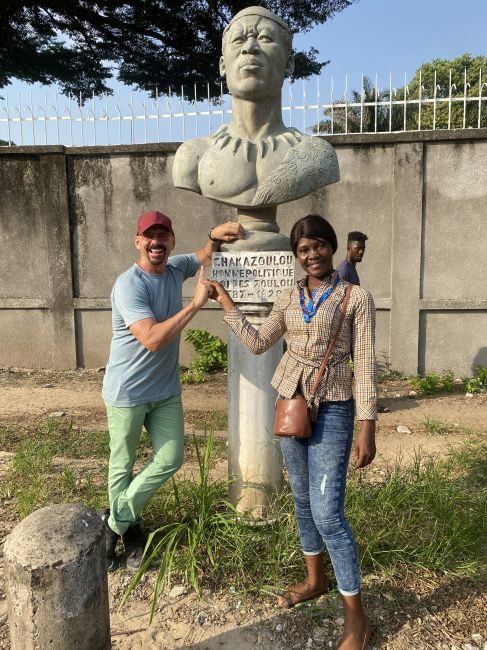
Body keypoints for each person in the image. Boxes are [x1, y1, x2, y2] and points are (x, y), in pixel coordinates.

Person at [205, 214, 376, 650]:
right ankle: (315, 580)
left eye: (318, 245)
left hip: (334, 406)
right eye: (303, 249)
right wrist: (227, 303)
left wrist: (367, 426)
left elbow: (365, 365)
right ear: (296, 256)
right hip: (290, 406)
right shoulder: (287, 296)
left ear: (332, 247)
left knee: (329, 514)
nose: (312, 254)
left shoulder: (355, 298)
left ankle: (356, 619)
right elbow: (261, 342)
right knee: (302, 500)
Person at [101, 210, 242, 571]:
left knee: (171, 458)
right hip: (127, 392)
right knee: (123, 466)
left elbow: (204, 256)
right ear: (138, 242)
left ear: (171, 242)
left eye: (163, 236)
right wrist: (195, 305)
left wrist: (213, 234)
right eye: (150, 237)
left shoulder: (176, 267)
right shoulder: (128, 285)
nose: (156, 243)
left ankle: (112, 524)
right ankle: (130, 537)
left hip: (164, 391)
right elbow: (151, 339)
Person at [172, 6, 338, 209]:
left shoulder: (317, 155)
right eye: (239, 40)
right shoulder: (193, 156)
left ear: (289, 64)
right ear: (223, 66)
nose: (249, 47)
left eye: (265, 38)